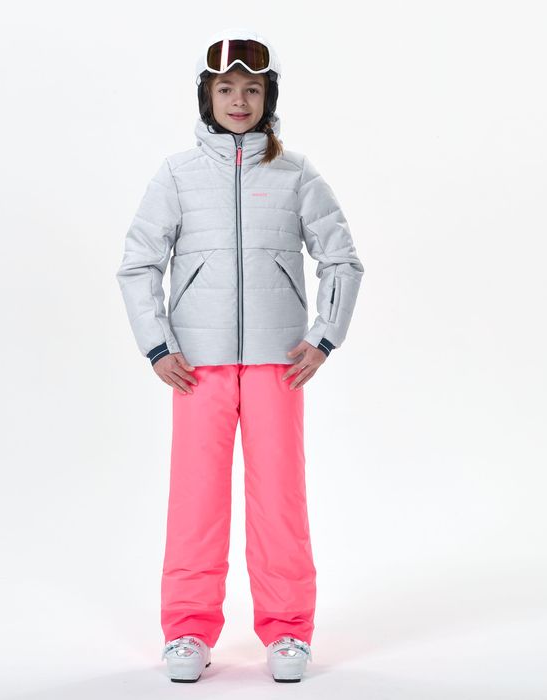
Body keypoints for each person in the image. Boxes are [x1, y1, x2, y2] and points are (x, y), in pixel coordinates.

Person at [116, 28, 364, 683]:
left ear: (267, 97)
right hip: (196, 368)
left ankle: (288, 631)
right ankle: (187, 630)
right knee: (195, 501)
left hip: (279, 363)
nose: (238, 100)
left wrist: (324, 336)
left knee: (280, 500)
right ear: (207, 96)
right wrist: (158, 345)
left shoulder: (295, 173)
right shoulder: (177, 174)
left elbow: (341, 259)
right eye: (225, 88)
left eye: (251, 89)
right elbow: (139, 263)